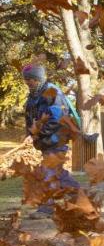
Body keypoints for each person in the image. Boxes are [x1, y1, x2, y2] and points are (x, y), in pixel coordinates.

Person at [22, 63, 80, 218]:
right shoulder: (34, 95)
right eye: (26, 79)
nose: (28, 82)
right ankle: (81, 197)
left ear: (38, 78)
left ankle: (46, 209)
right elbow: (31, 118)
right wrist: (29, 133)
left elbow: (57, 119)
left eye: (31, 79)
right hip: (46, 142)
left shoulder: (52, 93)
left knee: (48, 173)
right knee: (59, 174)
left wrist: (38, 134)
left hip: (57, 140)